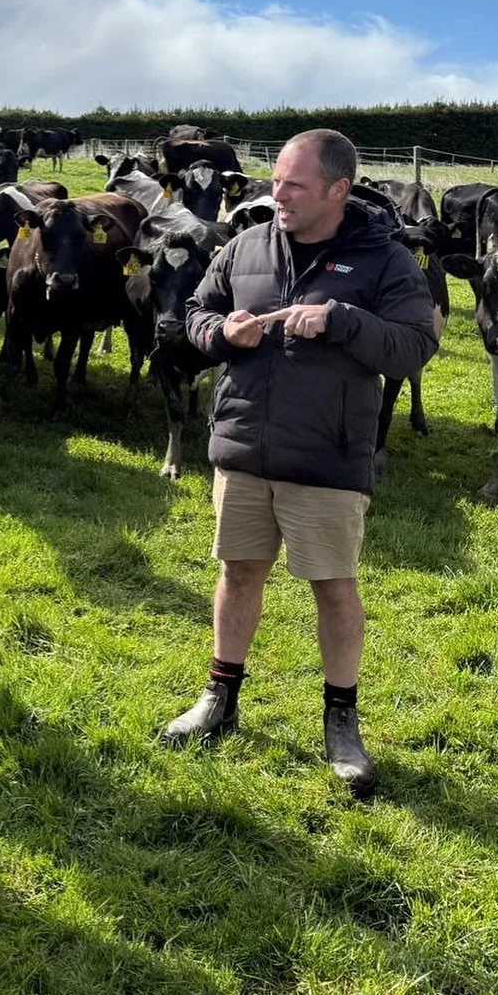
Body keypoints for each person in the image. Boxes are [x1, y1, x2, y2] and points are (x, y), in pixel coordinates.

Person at [163, 129, 438, 796]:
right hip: (245, 445)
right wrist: (221, 333)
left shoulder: (384, 261)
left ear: (338, 191)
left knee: (332, 586)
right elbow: (196, 312)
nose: (276, 195)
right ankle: (219, 698)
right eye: (276, 181)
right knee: (239, 571)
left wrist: (342, 318)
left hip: (327, 456)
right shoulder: (246, 244)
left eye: (294, 186)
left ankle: (341, 720)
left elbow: (413, 347)